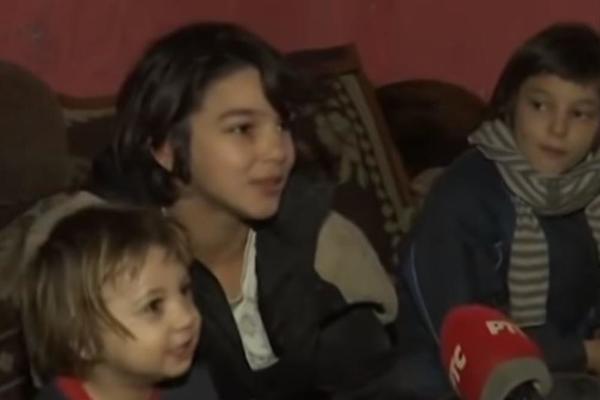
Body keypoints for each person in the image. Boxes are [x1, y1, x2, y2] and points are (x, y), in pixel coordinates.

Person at [90, 22, 400, 399]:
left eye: (282, 126)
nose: (277, 151)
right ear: (166, 147)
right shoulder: (102, 258)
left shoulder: (327, 244)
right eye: (242, 129)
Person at [395, 22, 600, 398]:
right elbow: (465, 336)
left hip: (559, 372)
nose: (558, 129)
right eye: (540, 105)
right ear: (511, 103)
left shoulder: (589, 193)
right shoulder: (463, 196)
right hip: (449, 379)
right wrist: (583, 354)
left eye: (580, 114)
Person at [19, 204, 201, 400]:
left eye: (184, 290)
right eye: (153, 306)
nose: (186, 317)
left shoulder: (198, 386)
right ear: (84, 339)